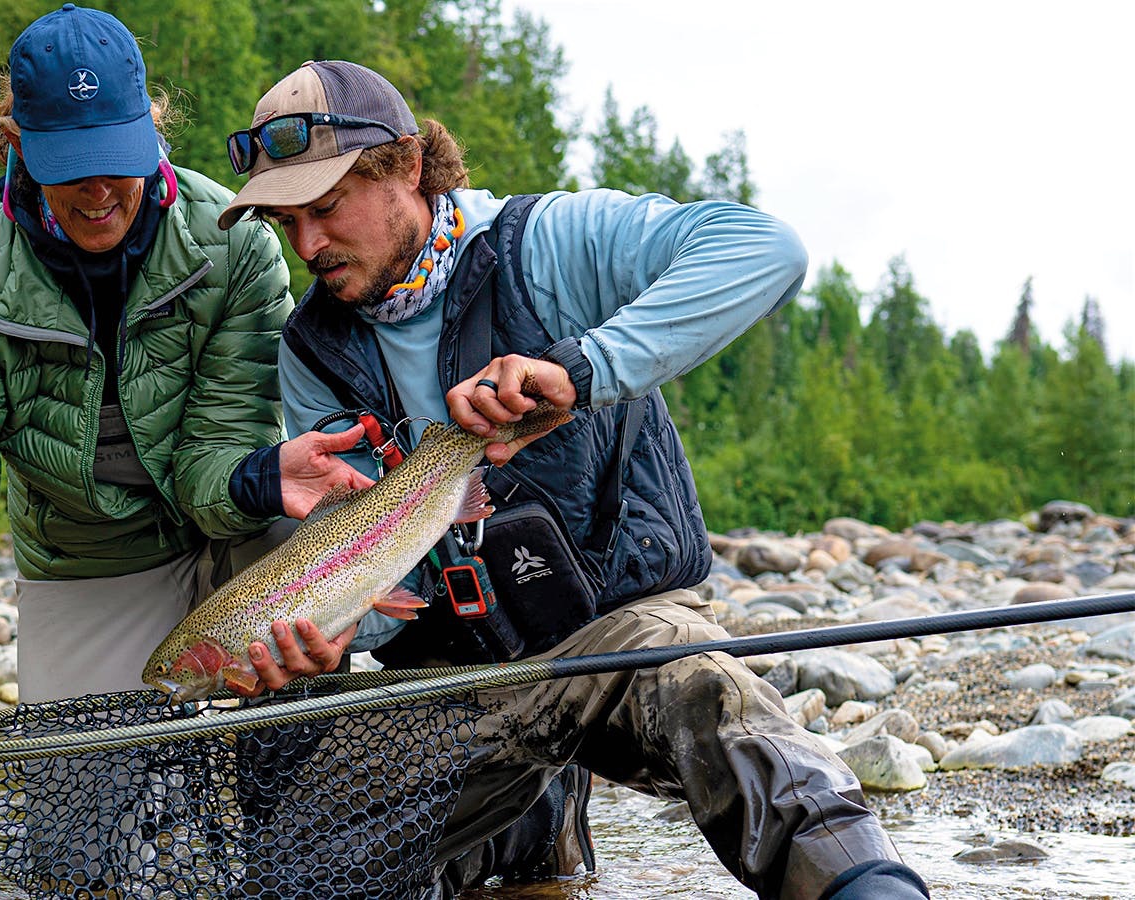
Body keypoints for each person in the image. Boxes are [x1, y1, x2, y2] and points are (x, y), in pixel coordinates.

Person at [217, 60, 931, 899]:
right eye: (286, 221)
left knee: (696, 675)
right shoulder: (313, 351)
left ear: (406, 166)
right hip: (458, 683)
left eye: (327, 208)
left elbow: (766, 250)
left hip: (621, 632)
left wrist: (587, 367)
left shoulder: (547, 245)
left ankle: (866, 887)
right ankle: (529, 834)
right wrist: (334, 635)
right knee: (301, 849)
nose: (306, 246)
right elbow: (381, 586)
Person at [0, 6, 369, 764]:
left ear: (150, 130)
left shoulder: (234, 242)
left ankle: (290, 780)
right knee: (82, 863)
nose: (97, 191)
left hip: (230, 532)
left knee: (288, 534)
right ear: (18, 146)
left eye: (115, 157)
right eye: (68, 166)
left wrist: (259, 478)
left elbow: (220, 451)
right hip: (90, 562)